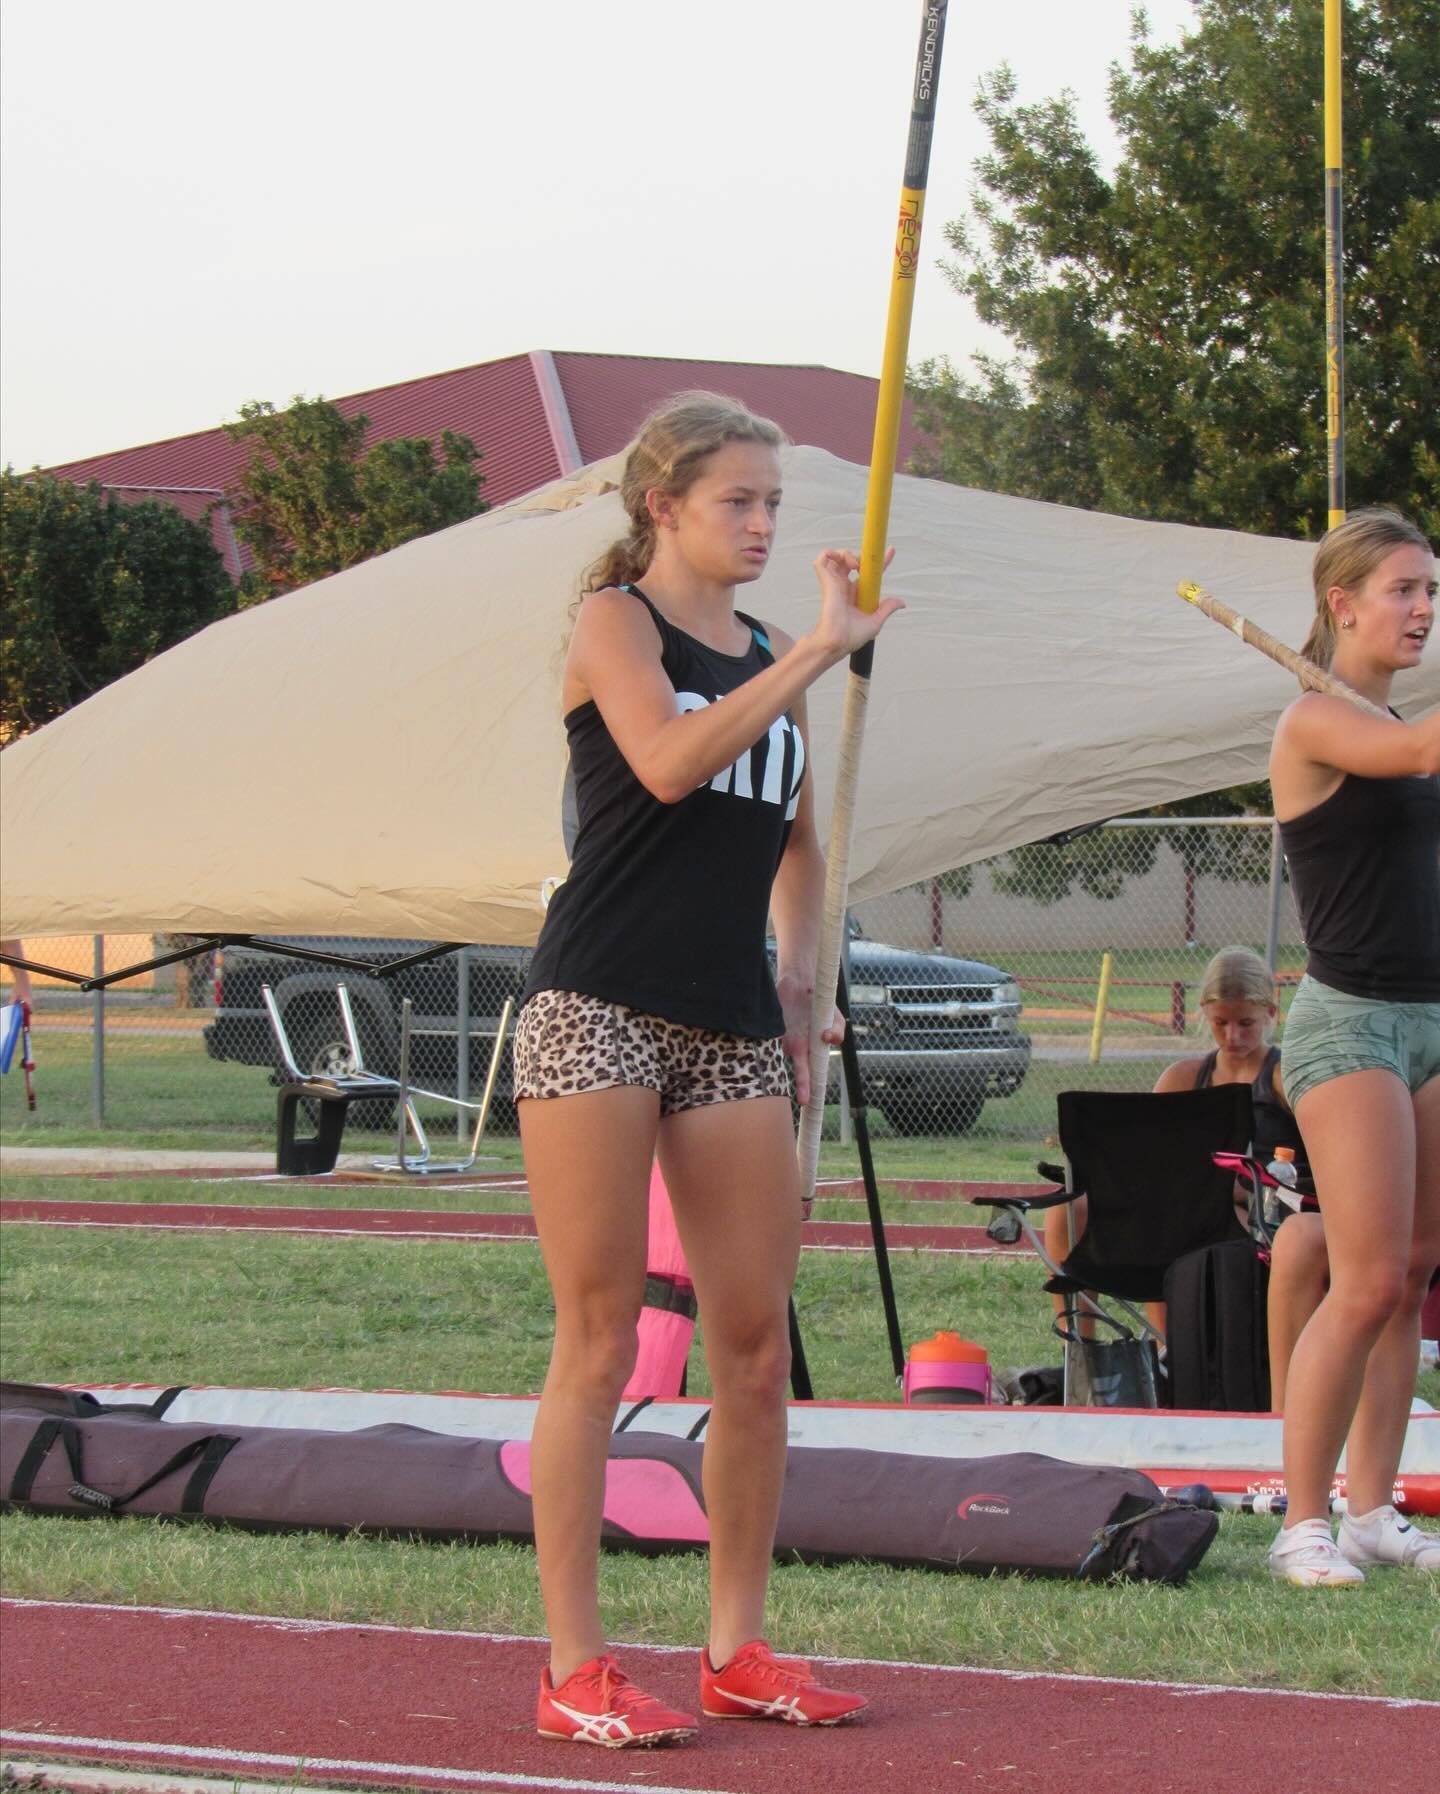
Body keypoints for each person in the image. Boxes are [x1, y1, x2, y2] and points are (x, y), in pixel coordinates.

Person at [513, 391, 902, 1747]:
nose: (761, 524)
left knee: (752, 1342)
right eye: (737, 500)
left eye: (773, 504)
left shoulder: (770, 653)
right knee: (602, 1337)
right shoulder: (615, 623)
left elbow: (798, 848)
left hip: (729, 1020)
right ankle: (574, 1666)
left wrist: (802, 987)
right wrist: (820, 653)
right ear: (662, 504)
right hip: (596, 1003)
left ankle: (737, 1648)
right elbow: (673, 763)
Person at [1265, 506, 1440, 1587]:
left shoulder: (1401, 723)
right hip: (1350, 1021)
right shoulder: (1315, 722)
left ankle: (1374, 1510)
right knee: (1366, 1279)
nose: (1424, 611)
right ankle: (1302, 1523)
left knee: (1412, 1275)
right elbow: (1413, 751)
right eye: (1404, 591)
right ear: (1344, 604)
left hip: (1432, 1018)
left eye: (1432, 593)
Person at [1042, 944, 1304, 1337]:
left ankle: (1175, 1350)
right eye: (1220, 1022)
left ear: (1271, 1012)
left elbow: (1310, 1169)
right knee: (1068, 1210)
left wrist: (1245, 1185)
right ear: (1204, 1013)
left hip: (1254, 1211)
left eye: (1246, 1023)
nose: (1232, 1036)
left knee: (1182, 1217)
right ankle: (1083, 1351)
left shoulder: (1283, 1078)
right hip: (1181, 1206)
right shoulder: (1183, 1078)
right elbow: (1148, 1160)